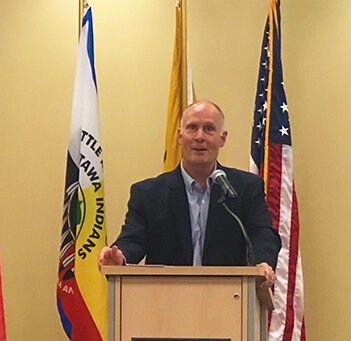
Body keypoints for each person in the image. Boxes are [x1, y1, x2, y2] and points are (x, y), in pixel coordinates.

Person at [98, 101, 280, 288]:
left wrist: (262, 263)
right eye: (192, 128)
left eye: (209, 129)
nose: (199, 137)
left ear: (222, 138)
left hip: (229, 301)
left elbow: (261, 233)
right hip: (163, 303)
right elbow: (132, 240)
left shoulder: (245, 188)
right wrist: (120, 258)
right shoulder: (148, 194)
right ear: (180, 135)